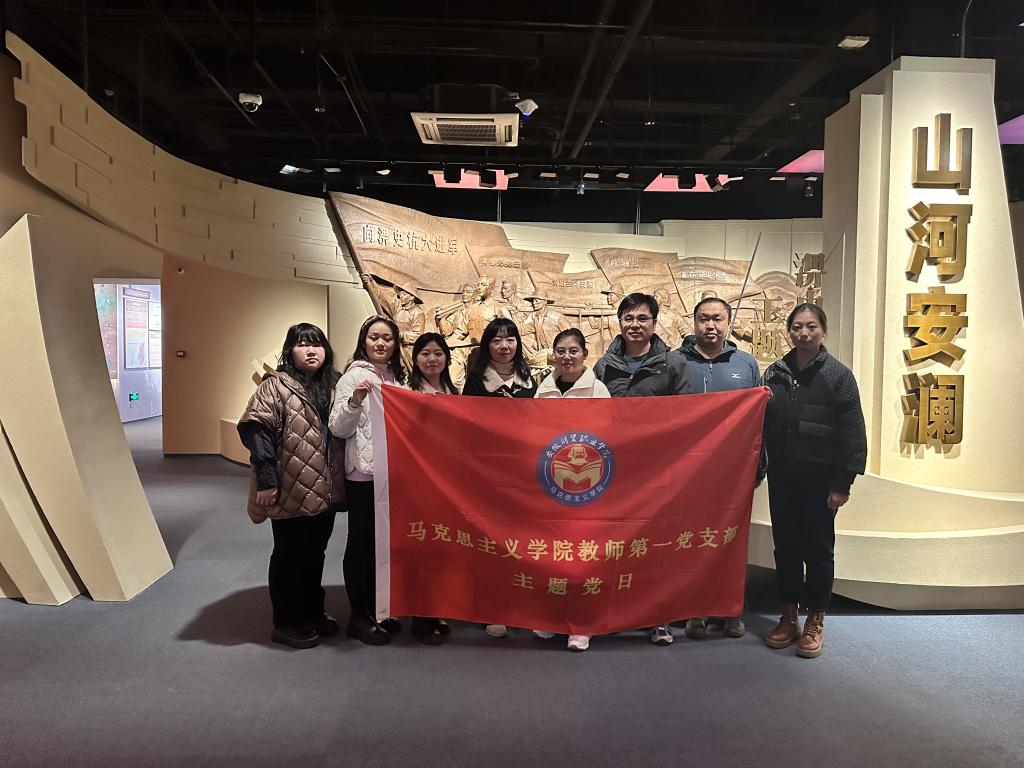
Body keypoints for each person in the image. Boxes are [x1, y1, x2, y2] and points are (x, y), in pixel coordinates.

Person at [761, 303, 866, 659]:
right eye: (797, 327)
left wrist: (842, 483)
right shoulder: (775, 373)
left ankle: (816, 617)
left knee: (818, 550)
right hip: (783, 479)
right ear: (788, 331)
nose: (803, 333)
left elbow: (853, 434)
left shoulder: (839, 376)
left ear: (823, 330)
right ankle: (788, 614)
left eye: (811, 326)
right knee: (785, 547)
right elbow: (760, 425)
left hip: (820, 482)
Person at [593, 292, 693, 645]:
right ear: (619, 322)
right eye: (628, 318)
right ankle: (615, 611)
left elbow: (689, 415)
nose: (635, 325)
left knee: (655, 544)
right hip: (614, 470)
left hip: (657, 471)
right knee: (615, 541)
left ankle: (657, 616)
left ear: (654, 322)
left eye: (642, 318)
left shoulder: (673, 363)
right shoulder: (603, 366)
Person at [237, 323, 344, 650]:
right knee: (289, 554)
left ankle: (312, 611)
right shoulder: (276, 386)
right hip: (290, 486)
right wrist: (267, 480)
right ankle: (285, 621)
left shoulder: (334, 384)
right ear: (290, 351)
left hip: (325, 488)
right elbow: (257, 430)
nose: (311, 351)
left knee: (316, 553)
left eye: (316, 344)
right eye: (302, 344)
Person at [677, 297, 761, 641]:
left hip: (733, 473)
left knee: (730, 541)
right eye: (703, 319)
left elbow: (759, 420)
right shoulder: (675, 362)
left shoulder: (746, 364)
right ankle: (694, 609)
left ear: (728, 323)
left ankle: (730, 610)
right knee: (691, 541)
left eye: (717, 319)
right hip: (688, 474)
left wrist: (759, 466)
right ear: (694, 322)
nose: (710, 326)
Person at [329, 315, 407, 646]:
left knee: (383, 543)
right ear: (364, 341)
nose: (380, 343)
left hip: (393, 473)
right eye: (374, 337)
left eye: (387, 338)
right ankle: (358, 616)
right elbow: (338, 427)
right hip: (363, 474)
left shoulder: (399, 377)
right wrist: (355, 402)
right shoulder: (354, 376)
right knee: (360, 543)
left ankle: (379, 608)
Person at [532, 328, 610, 652]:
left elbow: (607, 434)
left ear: (584, 355)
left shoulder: (598, 389)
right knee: (551, 554)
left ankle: (581, 625)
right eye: (561, 351)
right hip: (551, 482)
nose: (567, 357)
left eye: (573, 351)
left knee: (583, 558)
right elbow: (532, 432)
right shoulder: (544, 389)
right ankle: (550, 618)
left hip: (587, 484)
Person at [462, 317, 537, 637]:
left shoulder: (530, 380)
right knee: (490, 542)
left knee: (522, 541)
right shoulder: (476, 382)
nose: (504, 346)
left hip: (523, 475)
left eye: (510, 339)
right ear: (487, 345)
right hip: (488, 476)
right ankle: (491, 609)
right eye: (496, 340)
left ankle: (520, 605)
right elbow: (466, 427)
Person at [406, 332, 460, 644]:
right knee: (422, 549)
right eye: (425, 353)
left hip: (448, 482)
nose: (432, 359)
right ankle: (421, 617)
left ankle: (438, 608)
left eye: (438, 353)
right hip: (420, 481)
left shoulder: (453, 391)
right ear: (415, 359)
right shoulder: (407, 393)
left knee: (443, 547)